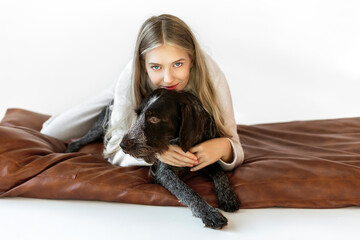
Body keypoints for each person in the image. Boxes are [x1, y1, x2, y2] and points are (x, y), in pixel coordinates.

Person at [41, 14, 244, 172]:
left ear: (192, 60)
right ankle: (112, 106)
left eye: (178, 64)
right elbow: (115, 149)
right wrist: (154, 154)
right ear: (143, 65)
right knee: (50, 132)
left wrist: (225, 147)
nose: (168, 78)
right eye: (156, 67)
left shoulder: (212, 77)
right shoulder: (131, 77)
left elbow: (234, 142)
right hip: (126, 88)